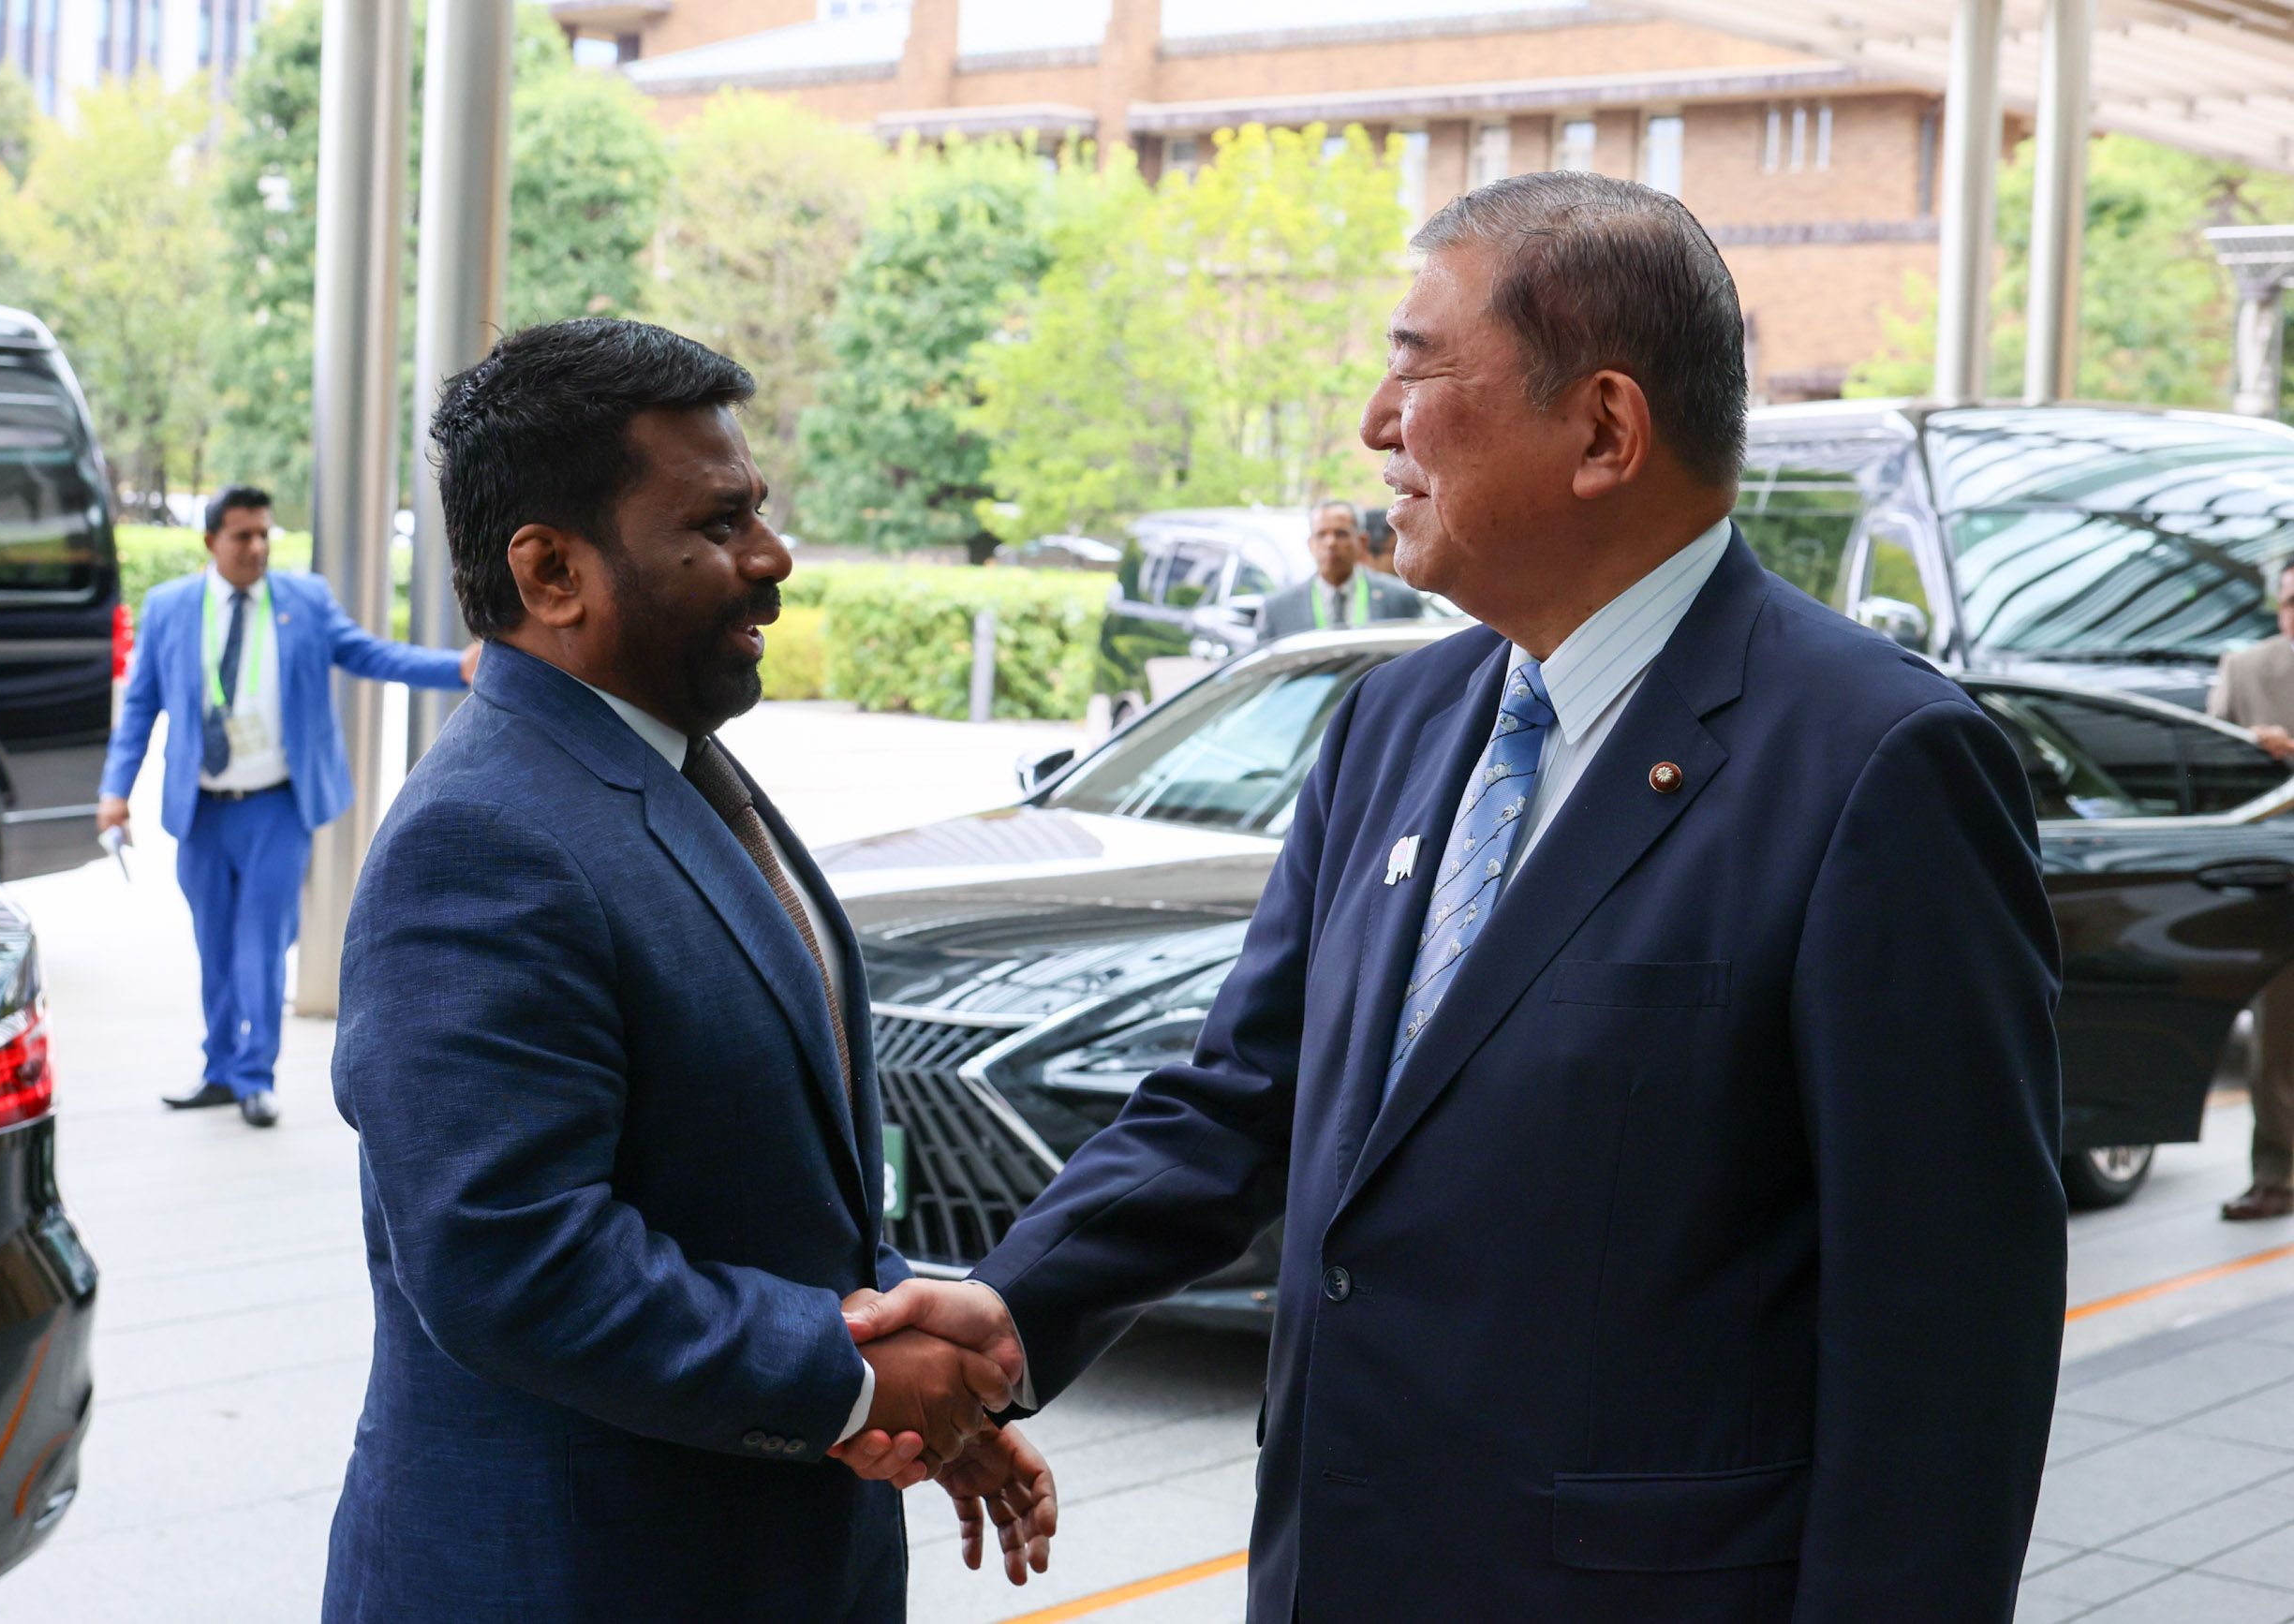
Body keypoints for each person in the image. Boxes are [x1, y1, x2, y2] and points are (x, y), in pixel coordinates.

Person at [848, 173, 2068, 1620]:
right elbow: (1251, 1089)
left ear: (1605, 429)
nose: (1373, 422)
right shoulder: (1394, 721)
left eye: (1417, 365)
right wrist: (1015, 1302)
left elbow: (1946, 1338)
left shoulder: (1877, 761)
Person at [319, 319, 1054, 1624]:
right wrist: (855, 1383)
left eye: (757, 512)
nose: (770, 561)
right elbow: (513, 1258)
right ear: (551, 570)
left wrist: (912, 1369)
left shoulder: (679, 771)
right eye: (717, 527)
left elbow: (765, 1183)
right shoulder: (479, 839)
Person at [99, 485, 476, 1129]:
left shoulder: (302, 600)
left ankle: (255, 1075)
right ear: (210, 541)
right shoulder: (170, 607)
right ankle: (218, 1069)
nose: (257, 547)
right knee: (214, 946)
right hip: (203, 810)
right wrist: (115, 793)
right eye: (242, 536)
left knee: (262, 945)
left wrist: (457, 668)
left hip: (275, 807)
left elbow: (371, 653)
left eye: (264, 534)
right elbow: (140, 706)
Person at [2208, 568, 2294, 1221]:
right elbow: (2205, 767)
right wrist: (2247, 752)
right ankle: (2277, 1175)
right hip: (2276, 879)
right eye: (2291, 600)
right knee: (2276, 1040)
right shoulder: (2244, 669)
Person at [1258, 498, 1423, 641]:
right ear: (1310, 544)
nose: (1331, 543)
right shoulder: (1277, 609)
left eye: (1341, 534)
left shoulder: (1400, 599)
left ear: (1362, 541)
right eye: (1321, 534)